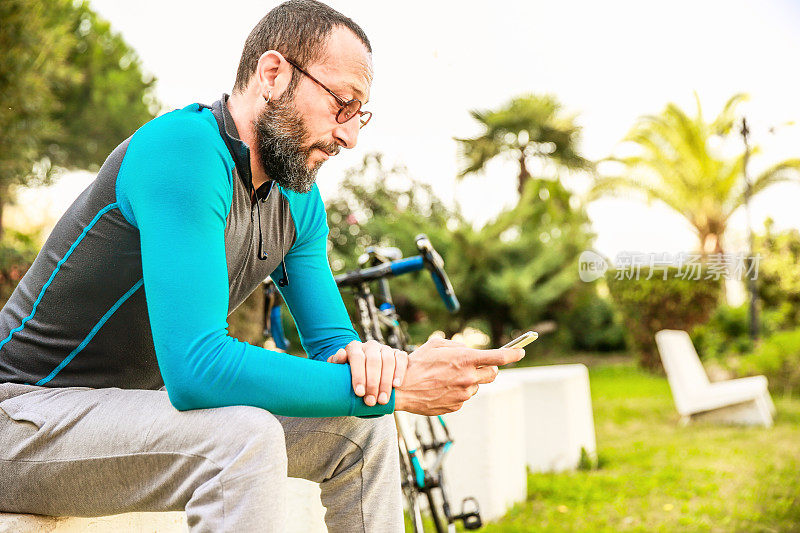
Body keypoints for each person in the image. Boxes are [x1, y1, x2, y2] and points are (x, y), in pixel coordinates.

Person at [0, 1, 524, 531]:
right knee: (244, 438)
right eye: (342, 104)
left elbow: (337, 352)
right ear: (273, 74)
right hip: (21, 415)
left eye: (359, 114)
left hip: (125, 416)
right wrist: (404, 386)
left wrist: (387, 368)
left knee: (363, 428)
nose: (350, 136)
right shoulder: (181, 151)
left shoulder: (299, 202)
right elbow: (196, 370)